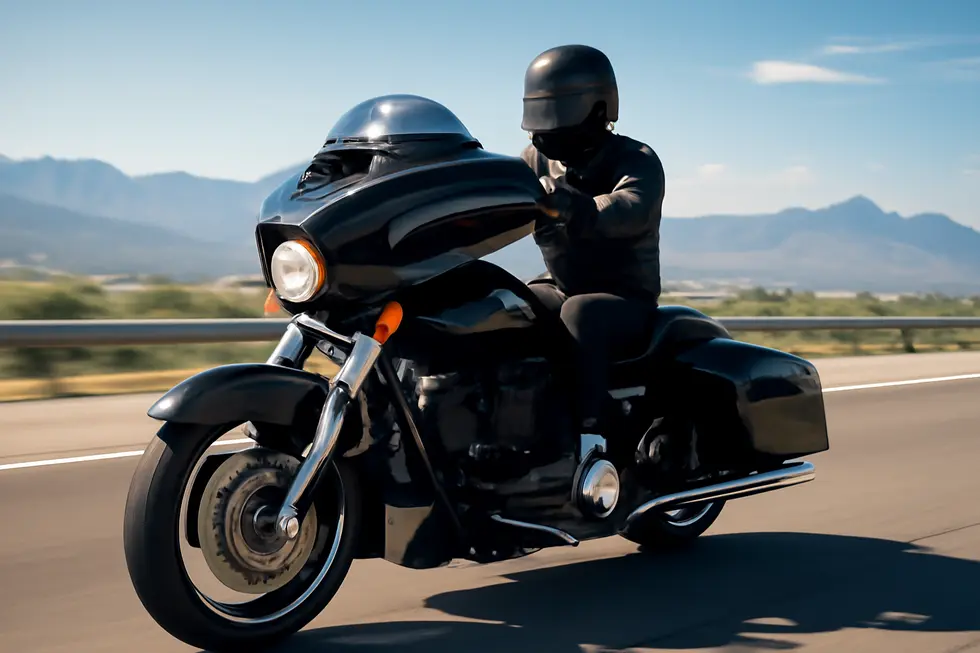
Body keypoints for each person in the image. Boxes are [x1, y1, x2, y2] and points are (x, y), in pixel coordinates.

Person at [518, 44, 667, 459]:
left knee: (581, 314)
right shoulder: (534, 160)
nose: (544, 133)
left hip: (625, 297)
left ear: (597, 107)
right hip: (563, 284)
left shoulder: (636, 159)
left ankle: (592, 443)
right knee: (508, 304)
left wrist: (576, 207)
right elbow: (501, 194)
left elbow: (630, 208)